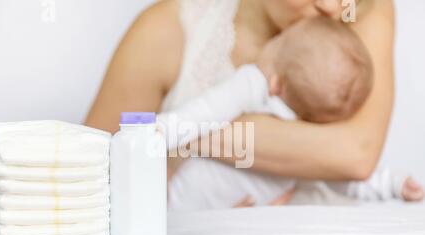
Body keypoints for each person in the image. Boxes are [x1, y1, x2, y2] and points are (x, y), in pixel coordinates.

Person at [86, 0, 419, 207]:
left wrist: (187, 139)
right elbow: (89, 180)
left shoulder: (366, 9)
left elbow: (354, 157)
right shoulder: (166, 30)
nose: (334, 7)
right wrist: (199, 230)